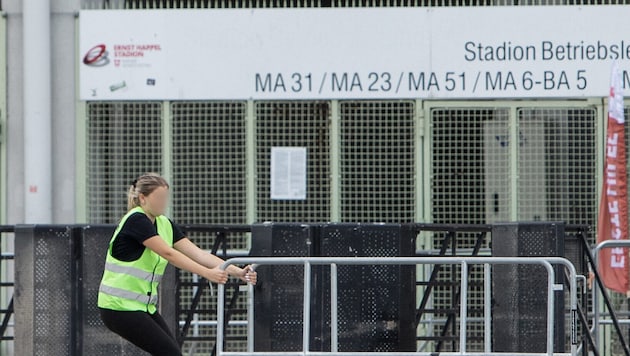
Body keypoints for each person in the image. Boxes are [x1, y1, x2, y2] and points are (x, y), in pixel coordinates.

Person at [98, 173, 257, 356]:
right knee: (170, 353)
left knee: (172, 353)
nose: (163, 202)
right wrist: (207, 274)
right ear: (142, 198)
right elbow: (169, 253)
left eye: (165, 197)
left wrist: (237, 271)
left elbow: (198, 254)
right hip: (117, 307)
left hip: (141, 307)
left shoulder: (164, 223)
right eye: (158, 197)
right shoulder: (136, 220)